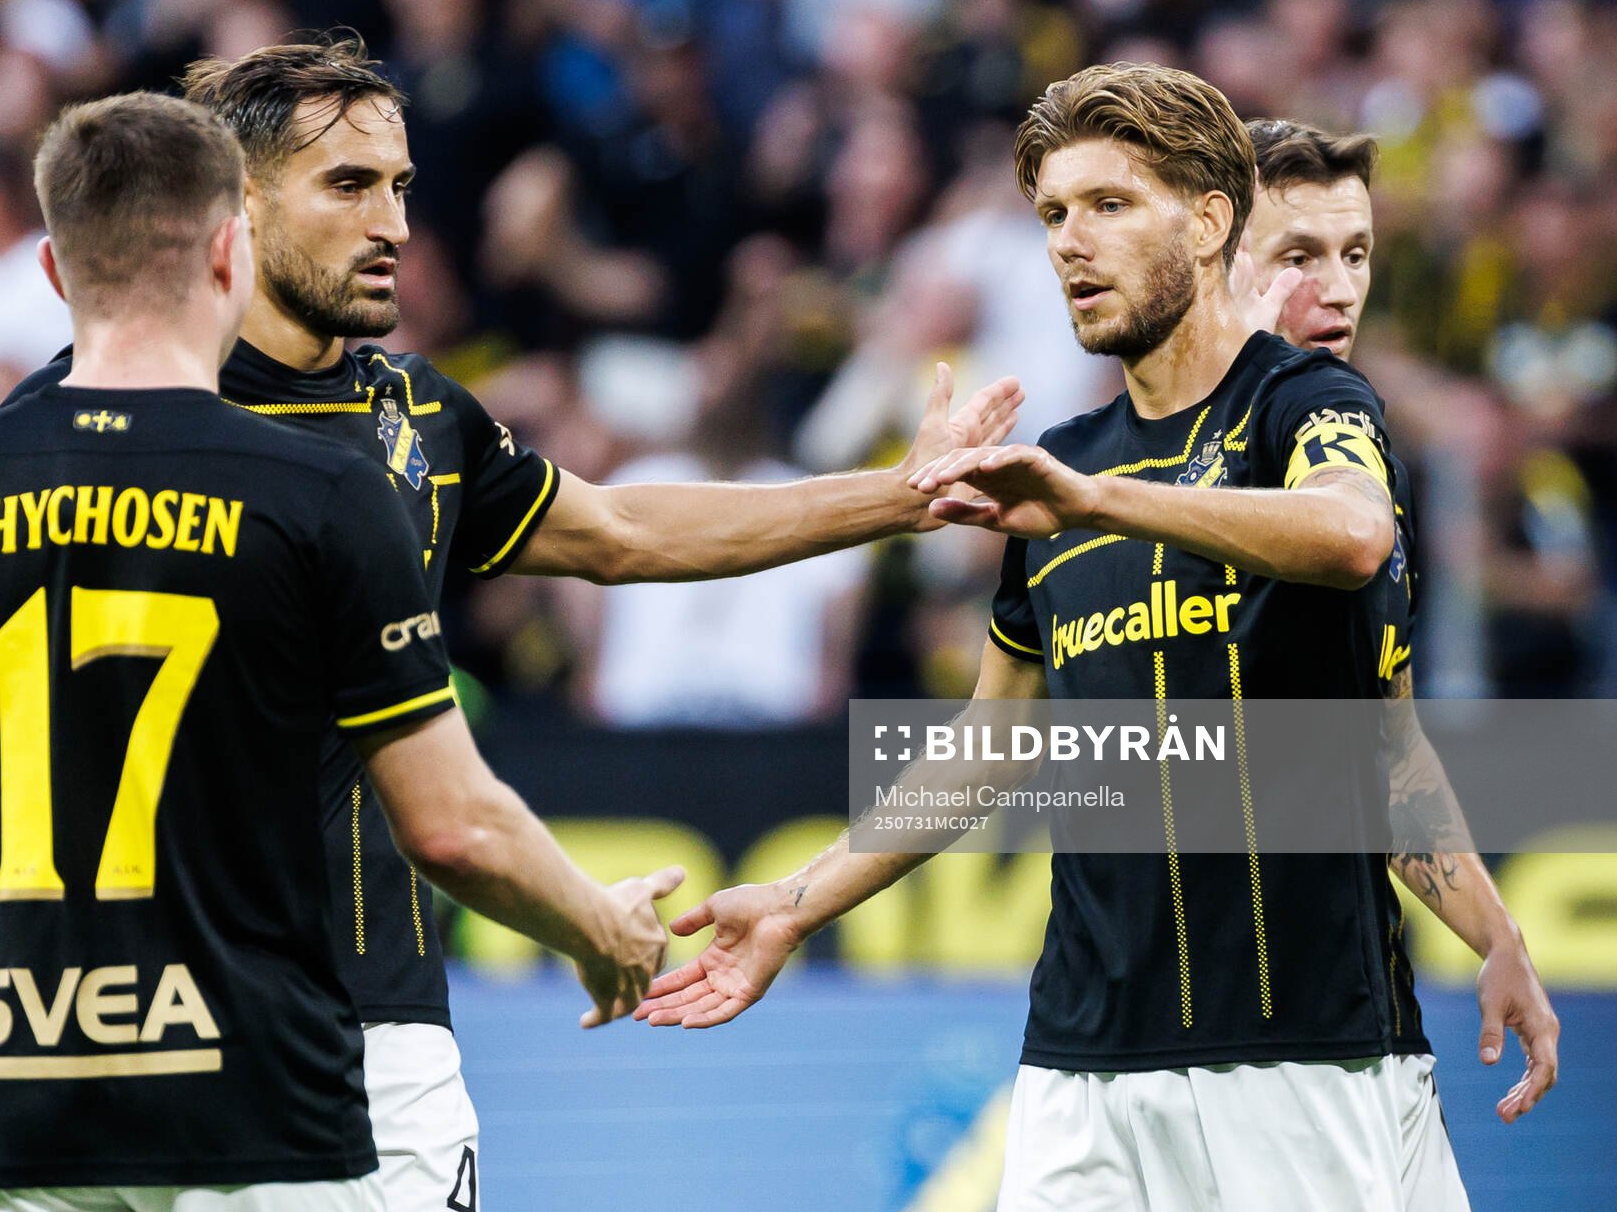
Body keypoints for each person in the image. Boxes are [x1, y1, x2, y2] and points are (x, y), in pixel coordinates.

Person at [0, 32, 1024, 1210]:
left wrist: (899, 496)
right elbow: (456, 822)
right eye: (349, 184)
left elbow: (620, 532)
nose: (393, 222)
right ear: (234, 214)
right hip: (309, 1053)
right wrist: (591, 924)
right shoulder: (153, 425)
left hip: (158, 1046)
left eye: (400, 185)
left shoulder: (409, 418)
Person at [635, 63, 1531, 1210]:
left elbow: (1352, 538)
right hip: (1080, 1061)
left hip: (1295, 1051)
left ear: (1211, 221)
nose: (1070, 243)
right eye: (1054, 214)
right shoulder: (1065, 464)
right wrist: (798, 902)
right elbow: (987, 743)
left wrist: (1096, 503)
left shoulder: (1306, 407)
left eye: (1110, 205)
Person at [0, 92, 673, 1212]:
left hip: (12, 1094)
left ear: (57, 275)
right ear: (232, 250)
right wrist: (599, 927)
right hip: (265, 1091)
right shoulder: (324, 492)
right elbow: (454, 823)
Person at [1235, 116, 1558, 1128]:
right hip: (1151, 1051)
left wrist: (1498, 935)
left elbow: (1388, 750)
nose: (1337, 289)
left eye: (1357, 254)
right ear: (1219, 253)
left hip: (1349, 1038)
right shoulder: (1099, 456)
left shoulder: (1346, 427)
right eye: (1299, 256)